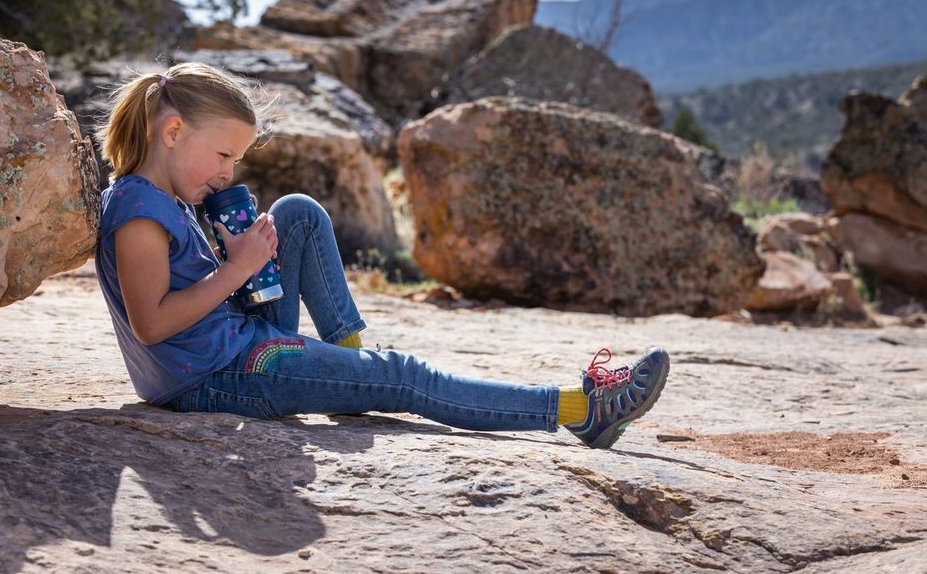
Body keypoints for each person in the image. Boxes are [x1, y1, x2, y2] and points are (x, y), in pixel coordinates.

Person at [92, 62, 670, 449]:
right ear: (171, 134)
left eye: (234, 161)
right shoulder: (141, 214)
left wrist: (237, 250)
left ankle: (350, 373)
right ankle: (578, 410)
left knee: (296, 214)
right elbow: (153, 323)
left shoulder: (162, 195)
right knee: (403, 377)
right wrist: (238, 269)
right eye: (222, 155)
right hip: (219, 377)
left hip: (232, 345)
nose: (228, 173)